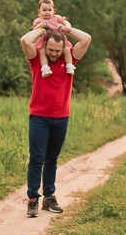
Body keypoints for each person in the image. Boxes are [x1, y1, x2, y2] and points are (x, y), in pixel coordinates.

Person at [20, 17, 92, 218]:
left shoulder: (69, 60)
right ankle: (33, 199)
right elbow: (25, 41)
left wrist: (66, 30)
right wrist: (42, 28)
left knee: (51, 159)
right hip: (39, 117)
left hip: (61, 117)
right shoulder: (37, 59)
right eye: (50, 50)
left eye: (57, 51)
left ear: (63, 49)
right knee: (36, 159)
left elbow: (86, 39)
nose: (53, 54)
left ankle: (49, 197)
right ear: (45, 46)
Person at [31, 0, 75, 77]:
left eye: (49, 10)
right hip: (44, 41)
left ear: (53, 11)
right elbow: (33, 30)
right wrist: (40, 26)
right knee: (42, 52)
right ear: (39, 11)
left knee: (66, 50)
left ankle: (69, 65)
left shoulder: (56, 18)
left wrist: (67, 27)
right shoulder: (38, 21)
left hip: (59, 40)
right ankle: (45, 68)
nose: (47, 12)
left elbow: (65, 22)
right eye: (44, 10)